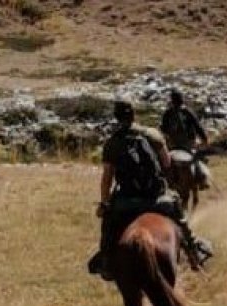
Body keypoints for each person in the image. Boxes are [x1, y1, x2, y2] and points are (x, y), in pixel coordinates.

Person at [88, 100, 212, 280]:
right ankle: (194, 252)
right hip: (155, 197)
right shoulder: (153, 135)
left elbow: (107, 178)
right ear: (134, 115)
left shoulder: (112, 143)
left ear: (116, 118)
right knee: (178, 214)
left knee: (108, 225)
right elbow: (167, 164)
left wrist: (105, 203)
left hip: (126, 200)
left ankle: (106, 260)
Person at [160, 88, 212, 191]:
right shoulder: (188, 112)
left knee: (162, 162)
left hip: (172, 144)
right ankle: (203, 180)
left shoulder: (167, 113)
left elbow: (163, 129)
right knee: (198, 159)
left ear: (172, 100)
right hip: (188, 144)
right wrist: (205, 139)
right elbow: (198, 127)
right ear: (182, 100)